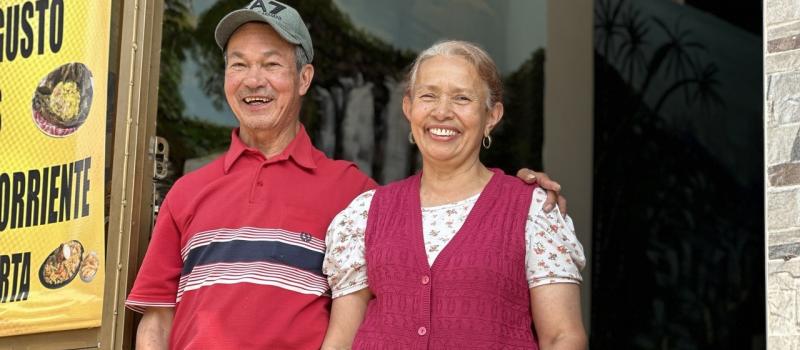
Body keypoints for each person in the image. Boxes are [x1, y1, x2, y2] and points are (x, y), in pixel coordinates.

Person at [125, 1, 566, 349]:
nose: (253, 80)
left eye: (272, 64)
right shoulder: (188, 190)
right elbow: (156, 319)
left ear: (304, 78)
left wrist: (519, 198)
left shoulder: (355, 195)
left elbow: (435, 225)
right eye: (238, 64)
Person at [321, 40, 587, 350]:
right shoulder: (365, 215)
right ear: (408, 108)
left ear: (492, 115)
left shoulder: (532, 211)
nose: (442, 112)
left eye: (461, 98)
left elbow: (562, 337)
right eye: (428, 96)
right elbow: (341, 340)